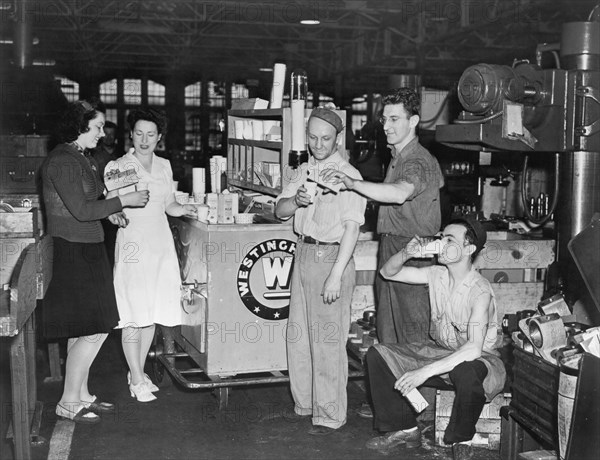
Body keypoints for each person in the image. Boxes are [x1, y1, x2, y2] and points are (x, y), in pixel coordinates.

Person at [41, 99, 149, 424]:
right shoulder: (62, 160)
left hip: (88, 247)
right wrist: (124, 200)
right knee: (97, 328)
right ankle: (68, 401)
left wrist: (112, 211)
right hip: (74, 252)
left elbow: (91, 202)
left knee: (83, 327)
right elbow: (82, 211)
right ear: (79, 125)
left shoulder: (78, 157)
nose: (102, 133)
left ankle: (82, 394)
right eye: (98, 126)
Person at [364, 218, 506, 460]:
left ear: (469, 249)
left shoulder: (479, 291)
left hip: (482, 360)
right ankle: (407, 428)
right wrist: (405, 253)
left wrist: (423, 372)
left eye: (449, 240)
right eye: (441, 237)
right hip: (441, 351)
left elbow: (473, 349)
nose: (441, 243)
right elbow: (387, 272)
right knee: (377, 355)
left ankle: (461, 439)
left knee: (466, 372)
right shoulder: (436, 274)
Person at [322, 87, 444, 347]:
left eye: (394, 119)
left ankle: (421, 386)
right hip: (392, 246)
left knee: (414, 336)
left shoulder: (416, 160)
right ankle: (394, 385)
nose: (386, 126)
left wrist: (354, 184)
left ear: (413, 121)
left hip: (413, 251)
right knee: (388, 332)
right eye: (384, 119)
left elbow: (400, 194)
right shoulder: (397, 157)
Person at [275, 107, 367, 435]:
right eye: (312, 137)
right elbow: (279, 210)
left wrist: (336, 274)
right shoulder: (302, 171)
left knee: (328, 341)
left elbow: (352, 230)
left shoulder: (348, 176)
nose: (318, 144)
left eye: (325, 138)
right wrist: (296, 202)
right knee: (298, 337)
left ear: (338, 139)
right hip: (302, 253)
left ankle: (329, 414)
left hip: (331, 257)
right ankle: (306, 403)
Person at [106, 108, 197, 403]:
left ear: (159, 137)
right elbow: (111, 205)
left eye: (151, 134)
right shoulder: (120, 166)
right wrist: (115, 213)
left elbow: (168, 203)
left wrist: (182, 209)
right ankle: (135, 376)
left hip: (159, 245)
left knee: (152, 314)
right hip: (133, 245)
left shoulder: (164, 165)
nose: (145, 140)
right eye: (139, 133)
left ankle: (139, 371)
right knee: (133, 314)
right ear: (131, 134)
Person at [91, 120, 124, 267]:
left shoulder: (122, 155)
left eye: (112, 134)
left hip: (118, 203)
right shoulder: (94, 155)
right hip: (99, 203)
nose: (109, 137)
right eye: (107, 134)